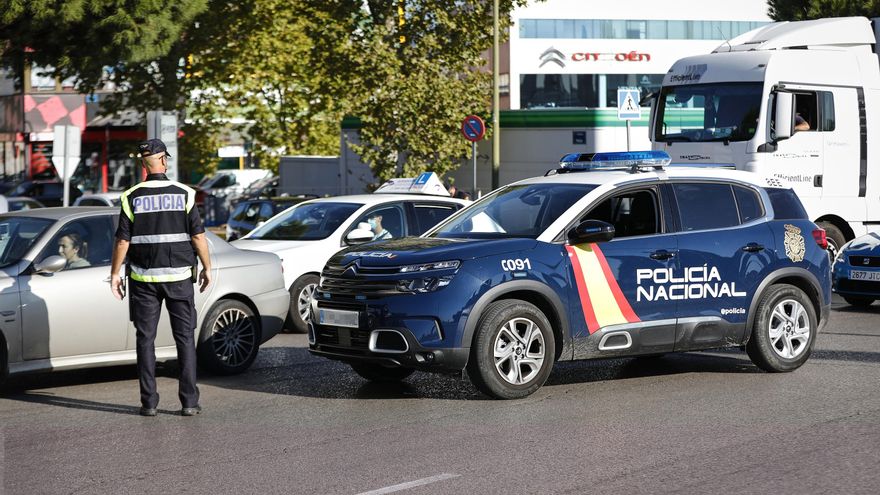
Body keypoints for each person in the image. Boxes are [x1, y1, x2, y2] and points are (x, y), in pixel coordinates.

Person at [110, 139, 211, 418]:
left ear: (144, 163)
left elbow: (122, 242)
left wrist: (115, 274)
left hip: (143, 281)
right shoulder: (185, 193)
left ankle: (149, 403)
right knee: (184, 340)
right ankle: (189, 402)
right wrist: (207, 267)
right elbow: (198, 236)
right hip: (179, 278)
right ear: (164, 160)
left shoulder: (130, 196)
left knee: (146, 340)